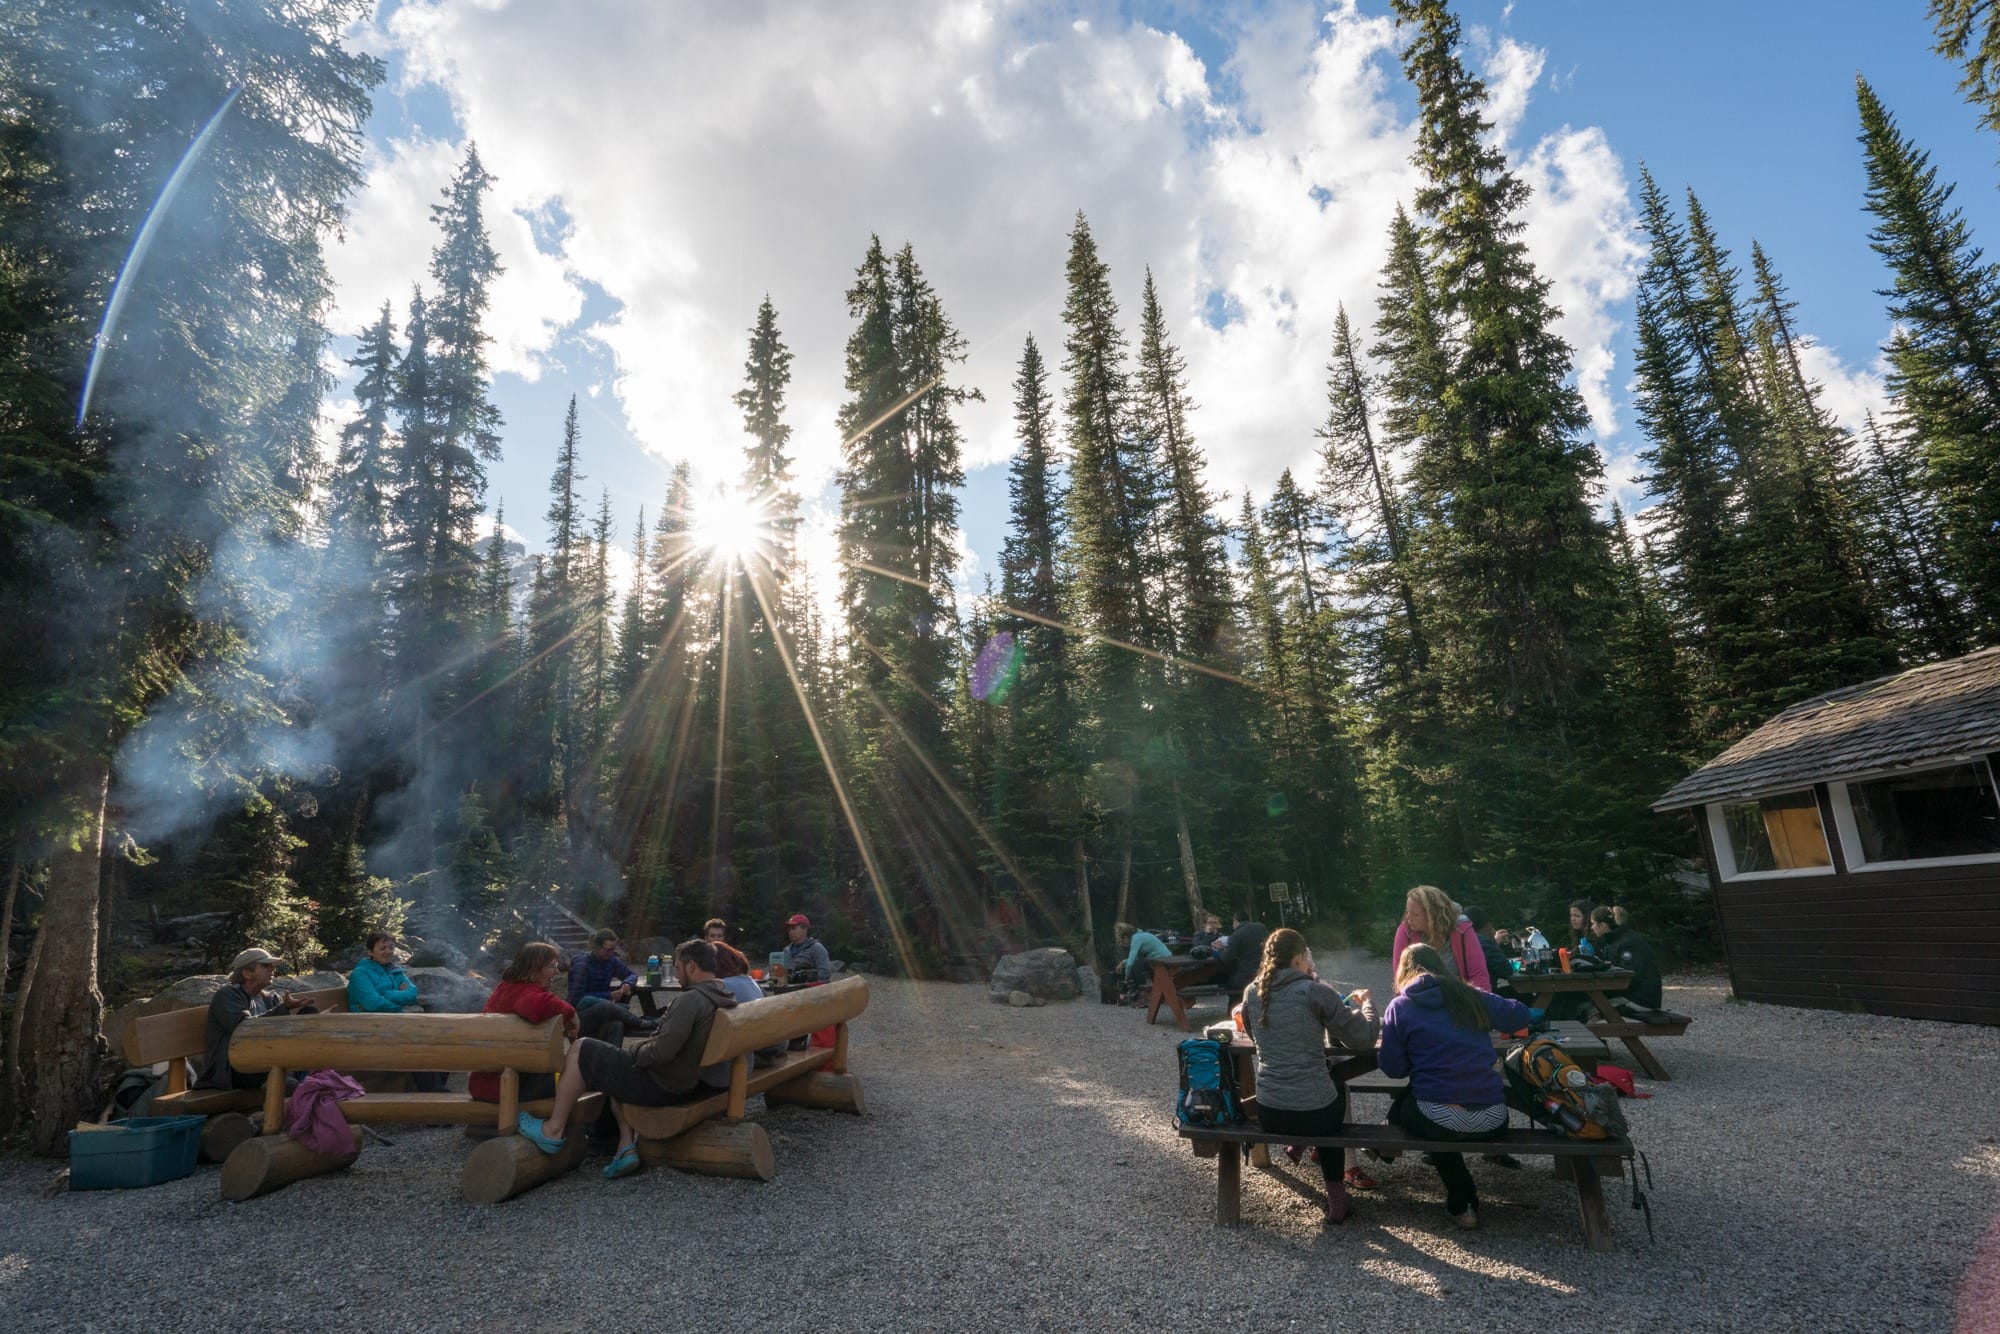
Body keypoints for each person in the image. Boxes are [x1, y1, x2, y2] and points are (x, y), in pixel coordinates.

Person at [519, 939, 739, 1180]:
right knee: (613, 1064)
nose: (676, 974)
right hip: (684, 1081)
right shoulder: (723, 995)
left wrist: (634, 1052)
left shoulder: (692, 1000)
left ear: (692, 967)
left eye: (677, 967)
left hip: (662, 1085)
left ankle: (553, 1128)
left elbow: (660, 1053)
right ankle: (625, 1146)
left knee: (582, 1048)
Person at [1377, 943, 1534, 1230]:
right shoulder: (1469, 996)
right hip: (1493, 1117)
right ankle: (1389, 1149)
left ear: (1404, 972)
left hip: (1440, 1117)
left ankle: (1462, 1203)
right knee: (1427, 1098)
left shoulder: (1401, 1006)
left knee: (1425, 1106)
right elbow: (1521, 1015)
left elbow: (1393, 1069)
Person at [1240, 928, 1378, 1223]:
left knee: (1317, 1091)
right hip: (1316, 1114)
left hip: (1270, 1111)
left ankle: (1298, 1144)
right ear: (1300, 957)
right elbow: (1361, 1039)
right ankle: (1338, 1204)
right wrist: (1368, 1004)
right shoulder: (1314, 991)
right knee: (1334, 1091)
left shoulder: (1252, 992)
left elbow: (1256, 1039)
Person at [470, 942, 580, 1104]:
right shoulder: (524, 992)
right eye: (551, 966)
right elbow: (533, 1005)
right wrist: (571, 1014)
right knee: (579, 1078)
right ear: (534, 970)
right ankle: (551, 1125)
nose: (556, 971)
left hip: (488, 1083)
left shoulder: (506, 988)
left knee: (565, 1074)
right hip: (505, 1086)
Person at [198, 948, 319, 1090]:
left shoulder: (271, 998)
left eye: (272, 966)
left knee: (310, 1013)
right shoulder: (227, 995)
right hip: (235, 1070)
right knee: (289, 1078)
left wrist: (318, 1022)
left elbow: (282, 1033)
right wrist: (283, 1008)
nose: (272, 970)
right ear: (247, 973)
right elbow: (244, 1029)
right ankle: (291, 1080)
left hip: (267, 1060)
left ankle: (295, 1076)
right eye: (265, 966)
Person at [347, 929, 448, 1092]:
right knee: (416, 1043)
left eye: (390, 947)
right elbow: (373, 1004)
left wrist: (386, 994)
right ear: (370, 951)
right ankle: (432, 1090)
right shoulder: (360, 974)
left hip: (394, 1022)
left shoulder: (395, 970)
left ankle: (436, 1087)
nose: (387, 952)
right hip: (369, 1027)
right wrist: (398, 998)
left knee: (437, 1037)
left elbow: (412, 994)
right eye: (382, 948)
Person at [1390, 885, 1491, 992]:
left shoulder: (1462, 930)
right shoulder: (1406, 932)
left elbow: (1479, 976)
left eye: (1415, 914)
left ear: (1433, 915)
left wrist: (1479, 1005)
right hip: (1420, 1002)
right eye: (1407, 912)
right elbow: (1401, 980)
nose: (1408, 918)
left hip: (1460, 1001)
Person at [567, 929, 656, 1037]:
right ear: (596, 947)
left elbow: (631, 975)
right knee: (604, 1005)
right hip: (579, 1015)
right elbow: (577, 998)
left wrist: (627, 983)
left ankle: (613, 1053)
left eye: (613, 950)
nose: (611, 953)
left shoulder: (611, 961)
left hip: (602, 1012)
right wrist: (608, 996)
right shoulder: (582, 966)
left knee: (617, 1024)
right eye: (608, 950)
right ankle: (638, 1022)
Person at [1590, 906, 1664, 1010]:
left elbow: (1630, 977)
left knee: (1592, 1007)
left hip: (1641, 1000)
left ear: (1602, 925)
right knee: (1588, 1004)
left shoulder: (1628, 943)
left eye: (1593, 923)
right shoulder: (1612, 941)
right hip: (1630, 995)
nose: (1591, 927)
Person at [1460, 906, 1516, 999]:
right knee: (1527, 995)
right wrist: (1493, 942)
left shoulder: (1460, 940)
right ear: (1487, 925)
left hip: (1464, 995)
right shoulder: (1483, 942)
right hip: (1485, 996)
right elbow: (1506, 970)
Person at [1115, 922, 1172, 1002]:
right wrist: (1123, 962)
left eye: (1123, 940)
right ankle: (1137, 993)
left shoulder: (1136, 939)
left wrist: (1126, 977)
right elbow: (1134, 958)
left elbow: (1131, 963)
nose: (1124, 943)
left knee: (1136, 966)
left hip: (1162, 960)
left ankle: (1142, 993)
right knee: (1138, 963)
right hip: (1164, 958)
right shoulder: (1139, 935)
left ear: (1126, 936)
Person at [1218, 912, 1270, 999]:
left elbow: (1226, 958)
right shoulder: (1261, 927)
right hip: (1266, 971)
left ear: (1235, 922)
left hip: (1247, 975)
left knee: (1229, 983)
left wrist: (1220, 949)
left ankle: (1236, 1007)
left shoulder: (1236, 935)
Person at [782, 914, 832, 983]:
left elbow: (825, 973)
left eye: (793, 928)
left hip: (808, 990)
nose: (790, 932)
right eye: (789, 929)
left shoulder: (816, 948)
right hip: (787, 991)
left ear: (805, 929)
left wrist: (806, 976)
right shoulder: (786, 951)